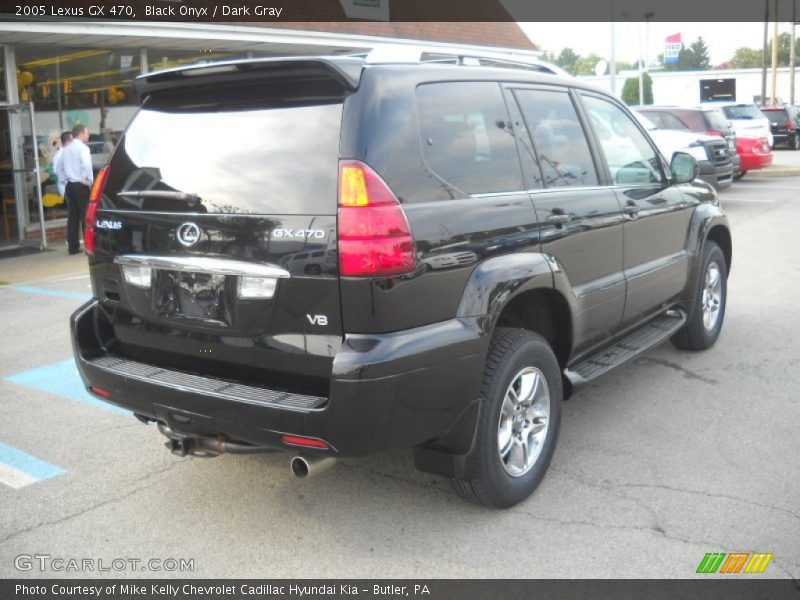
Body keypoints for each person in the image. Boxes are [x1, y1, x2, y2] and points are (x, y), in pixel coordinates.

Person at [60, 125, 93, 255]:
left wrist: (64, 181)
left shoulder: (65, 150)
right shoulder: (83, 148)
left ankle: (72, 247)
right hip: (80, 184)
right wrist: (90, 181)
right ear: (81, 133)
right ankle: (88, 247)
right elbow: (86, 165)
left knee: (72, 218)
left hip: (69, 185)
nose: (88, 135)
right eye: (87, 133)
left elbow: (60, 168)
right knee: (85, 216)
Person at [52, 131, 73, 201]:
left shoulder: (71, 152)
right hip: (67, 187)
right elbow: (57, 171)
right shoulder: (60, 154)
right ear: (68, 141)